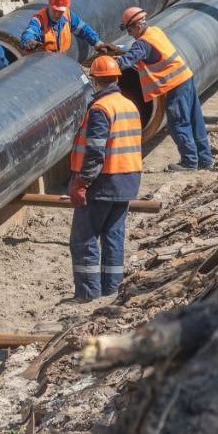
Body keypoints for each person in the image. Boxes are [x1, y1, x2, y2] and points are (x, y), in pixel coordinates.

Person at [67, 56, 142, 301]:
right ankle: (112, 289)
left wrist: (82, 182)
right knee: (113, 236)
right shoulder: (129, 104)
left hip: (103, 181)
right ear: (116, 78)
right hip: (128, 180)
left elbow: (95, 152)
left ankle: (88, 294)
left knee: (84, 238)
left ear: (95, 80)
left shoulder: (101, 109)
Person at [113, 6, 212, 171]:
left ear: (137, 26)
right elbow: (140, 50)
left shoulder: (142, 44)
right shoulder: (154, 31)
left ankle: (189, 162)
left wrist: (107, 66)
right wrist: (120, 49)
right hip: (185, 78)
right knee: (195, 119)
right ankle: (205, 159)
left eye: (129, 30)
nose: (130, 34)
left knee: (178, 122)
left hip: (174, 85)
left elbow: (126, 62)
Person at [20, 0, 116, 56]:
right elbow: (30, 31)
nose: (57, 14)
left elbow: (83, 29)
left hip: (61, 59)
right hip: (42, 62)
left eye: (60, 12)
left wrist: (97, 43)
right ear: (49, 5)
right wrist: (29, 41)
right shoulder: (40, 19)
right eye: (55, 11)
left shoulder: (68, 16)